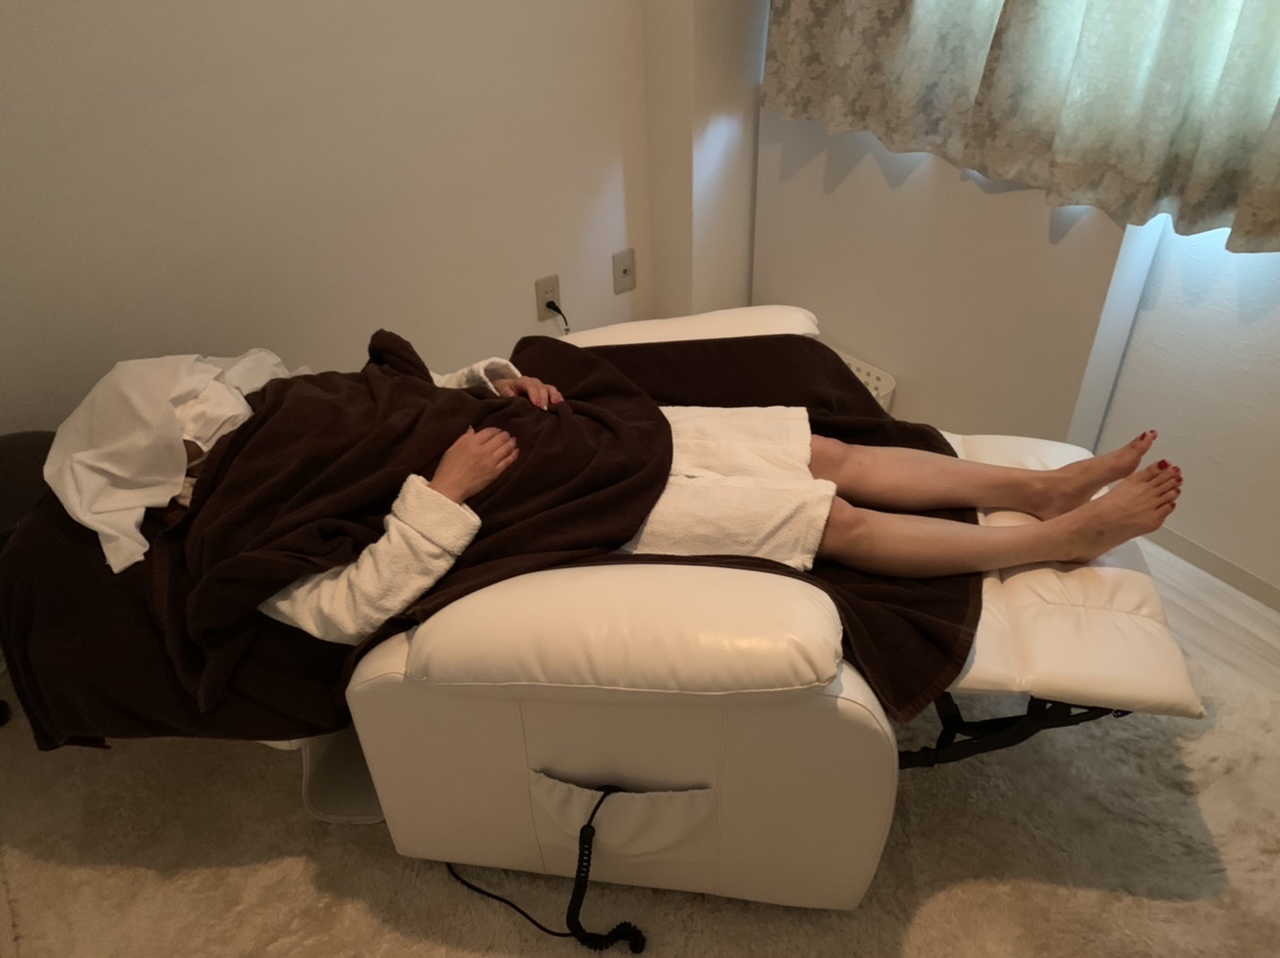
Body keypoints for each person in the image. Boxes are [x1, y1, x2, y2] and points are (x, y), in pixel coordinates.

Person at [259, 368, 1182, 646]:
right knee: (830, 520)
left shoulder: (270, 400)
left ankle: (1039, 490)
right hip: (545, 516)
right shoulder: (228, 540)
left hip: (578, 436)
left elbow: (408, 397)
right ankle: (1060, 539)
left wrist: (493, 384)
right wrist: (441, 495)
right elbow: (344, 611)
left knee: (828, 453)